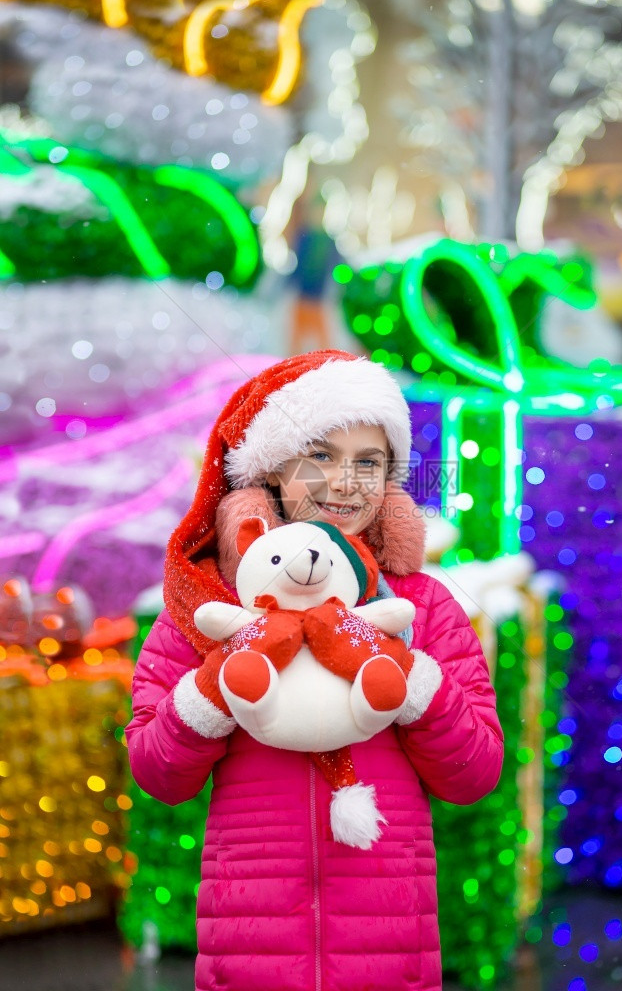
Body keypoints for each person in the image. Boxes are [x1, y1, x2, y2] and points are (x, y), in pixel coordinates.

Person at [126, 349, 503, 991]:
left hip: (390, 946)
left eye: (368, 462)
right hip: (249, 946)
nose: (345, 482)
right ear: (274, 471)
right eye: (320, 456)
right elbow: (157, 772)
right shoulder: (211, 607)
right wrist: (214, 691)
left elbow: (474, 774)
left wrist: (412, 685)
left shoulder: (421, 607)